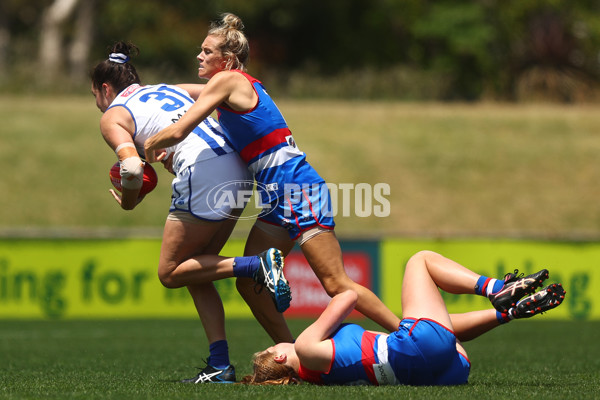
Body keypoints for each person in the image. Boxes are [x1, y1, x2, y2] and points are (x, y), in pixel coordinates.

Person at [143, 13, 402, 338]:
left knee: (337, 284)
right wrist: (142, 95)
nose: (199, 55)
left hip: (299, 191)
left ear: (228, 59)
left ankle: (410, 336)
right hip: (278, 199)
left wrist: (145, 148)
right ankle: (291, 354)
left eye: (207, 51)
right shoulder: (232, 86)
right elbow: (179, 90)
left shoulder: (227, 81)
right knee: (249, 283)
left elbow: (181, 128)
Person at [90, 41, 292, 384]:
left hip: (206, 174)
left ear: (105, 89)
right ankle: (219, 366)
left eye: (93, 93)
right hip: (240, 168)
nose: (95, 101)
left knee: (170, 272)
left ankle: (257, 265)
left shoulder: (113, 116)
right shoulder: (168, 90)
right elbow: (233, 85)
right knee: (197, 269)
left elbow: (133, 171)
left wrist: (128, 199)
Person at [241, 250, 566, 385]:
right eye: (271, 348)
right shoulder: (307, 348)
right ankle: (495, 288)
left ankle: (506, 313)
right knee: (420, 261)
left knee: (441, 327)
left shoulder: (317, 376)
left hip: (445, 370)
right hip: (411, 348)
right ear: (281, 355)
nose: (277, 343)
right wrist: (330, 281)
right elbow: (348, 295)